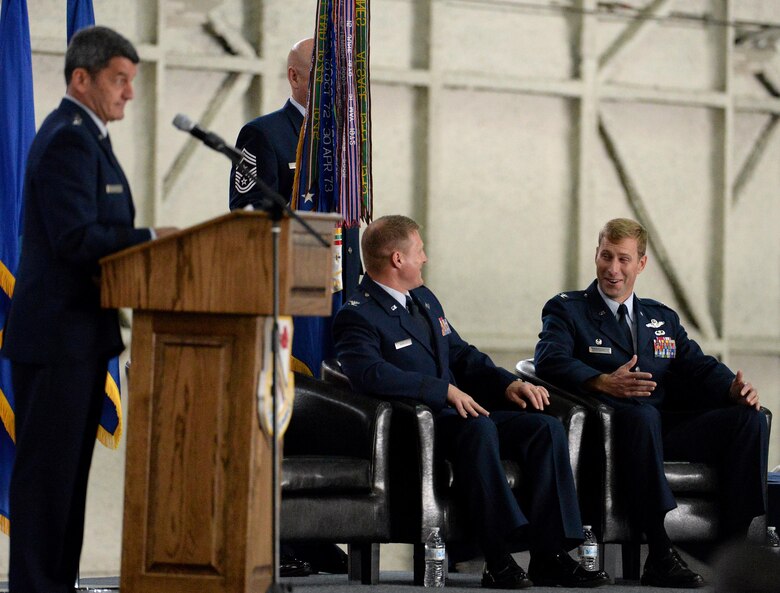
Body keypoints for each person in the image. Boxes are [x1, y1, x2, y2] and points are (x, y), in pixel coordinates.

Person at [333, 215, 610, 589]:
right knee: (478, 429)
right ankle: (497, 559)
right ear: (398, 259)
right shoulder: (357, 314)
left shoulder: (424, 300)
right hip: (414, 428)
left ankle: (551, 555)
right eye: (420, 251)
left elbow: (461, 355)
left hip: (457, 416)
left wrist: (508, 385)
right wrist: (442, 391)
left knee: (544, 428)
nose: (426, 258)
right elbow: (369, 375)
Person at [1, 26, 177, 593]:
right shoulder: (68, 139)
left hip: (78, 337)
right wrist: (153, 237)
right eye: (119, 80)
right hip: (57, 341)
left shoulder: (89, 138)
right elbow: (77, 238)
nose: (128, 93)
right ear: (82, 78)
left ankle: (54, 584)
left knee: (66, 483)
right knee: (47, 483)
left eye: (131, 81)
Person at [534, 217, 768, 588]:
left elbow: (696, 365)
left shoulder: (660, 318)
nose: (613, 269)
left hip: (663, 425)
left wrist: (732, 390)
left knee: (750, 418)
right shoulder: (568, 309)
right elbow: (548, 359)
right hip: (611, 430)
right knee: (641, 417)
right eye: (606, 256)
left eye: (623, 259)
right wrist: (602, 381)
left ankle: (735, 547)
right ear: (596, 255)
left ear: (641, 264)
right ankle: (659, 553)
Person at [228, 37, 349, 576]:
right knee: (285, 414)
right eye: (321, 75)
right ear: (295, 79)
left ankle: (316, 533)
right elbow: (247, 213)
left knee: (328, 415)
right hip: (285, 299)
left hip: (335, 296)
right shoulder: (263, 134)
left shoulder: (344, 142)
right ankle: (280, 538)